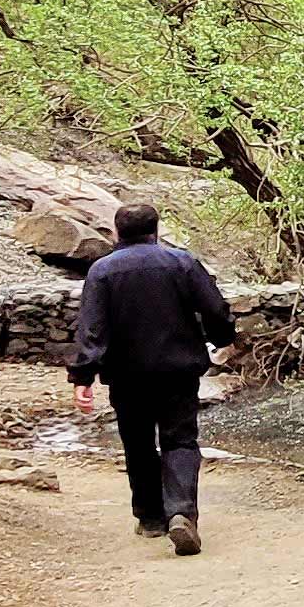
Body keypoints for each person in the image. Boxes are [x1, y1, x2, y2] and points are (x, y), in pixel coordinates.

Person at [67, 203, 235, 556]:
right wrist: (222, 339)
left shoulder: (102, 271)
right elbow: (215, 308)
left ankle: (151, 518)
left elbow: (93, 328)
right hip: (178, 370)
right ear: (155, 230)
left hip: (126, 374)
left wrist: (83, 376)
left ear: (116, 232)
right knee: (180, 441)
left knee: (138, 442)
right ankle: (181, 513)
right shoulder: (182, 262)